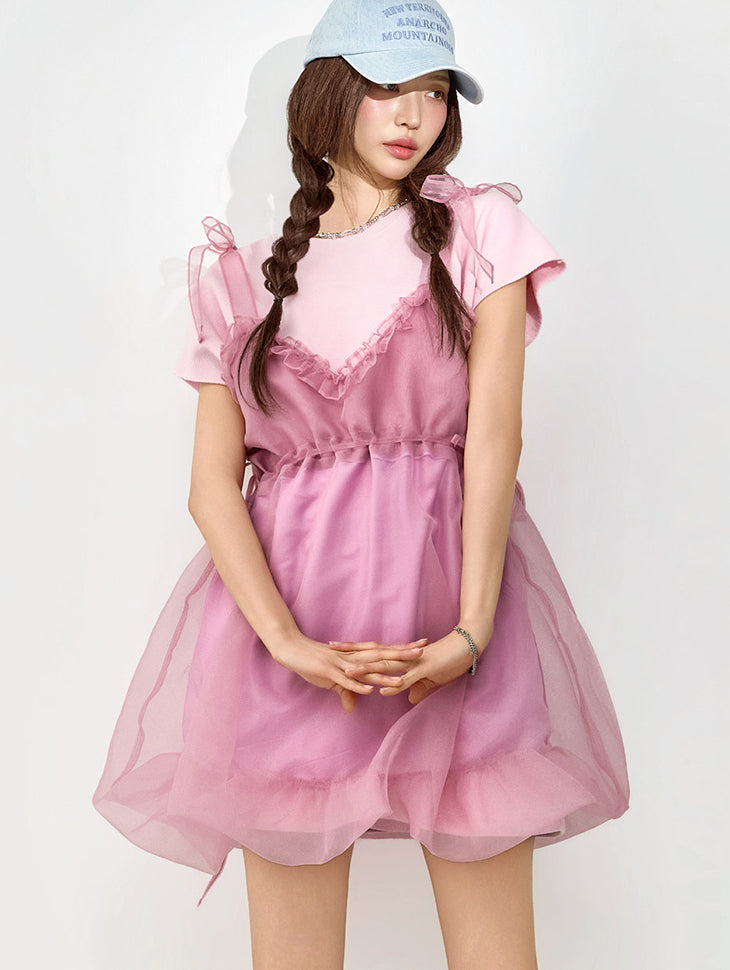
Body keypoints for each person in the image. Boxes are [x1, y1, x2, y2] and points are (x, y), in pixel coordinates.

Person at [93, 1, 630, 966]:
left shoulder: (478, 231)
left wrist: (471, 632)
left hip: (459, 635)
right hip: (290, 648)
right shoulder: (242, 280)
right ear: (328, 94)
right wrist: (286, 643)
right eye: (388, 87)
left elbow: (494, 441)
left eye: (435, 92)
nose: (415, 114)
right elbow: (212, 487)